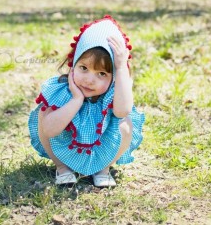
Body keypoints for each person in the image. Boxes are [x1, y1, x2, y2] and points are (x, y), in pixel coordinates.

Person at [28, 15, 145, 187]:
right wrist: (76, 100)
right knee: (44, 113)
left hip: (102, 147)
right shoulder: (61, 90)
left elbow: (122, 111)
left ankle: (103, 170)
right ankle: (62, 168)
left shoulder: (116, 91)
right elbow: (50, 130)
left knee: (125, 123)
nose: (90, 80)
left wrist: (120, 67)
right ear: (73, 64)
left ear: (113, 77)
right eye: (83, 68)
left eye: (102, 74)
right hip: (65, 147)